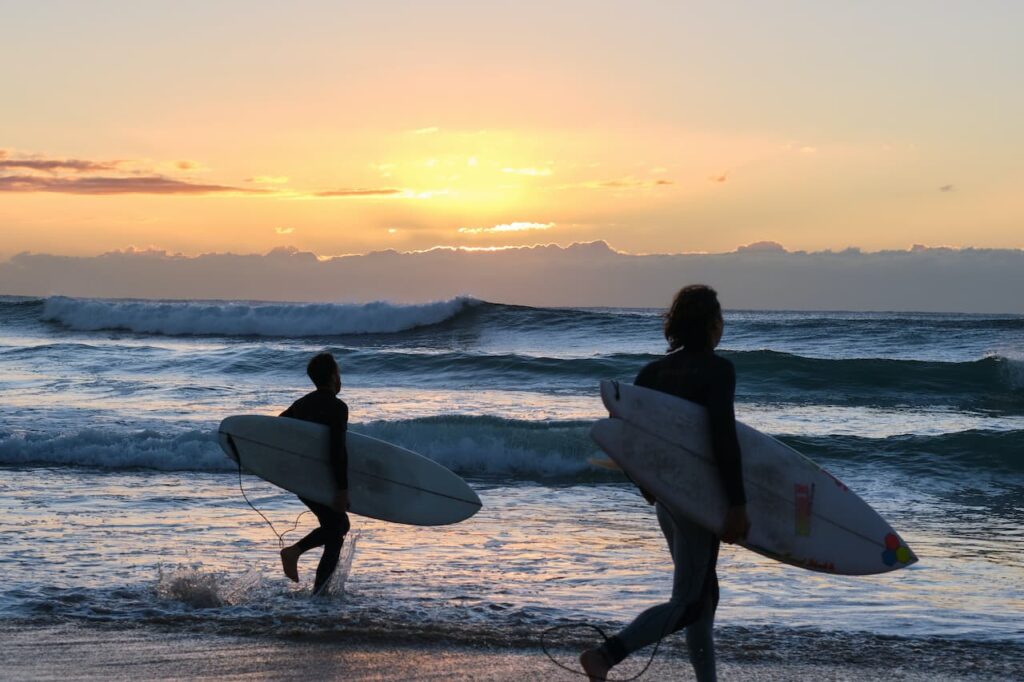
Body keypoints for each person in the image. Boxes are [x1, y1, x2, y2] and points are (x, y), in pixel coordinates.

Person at [580, 284, 750, 682]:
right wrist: (737, 504)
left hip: (668, 500)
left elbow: (628, 442)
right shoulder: (718, 370)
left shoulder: (652, 373)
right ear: (712, 324)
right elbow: (722, 438)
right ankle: (606, 655)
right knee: (690, 601)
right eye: (719, 319)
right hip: (701, 500)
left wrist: (645, 484)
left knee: (702, 596)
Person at [277, 352, 351, 595]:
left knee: (337, 528)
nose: (340, 378)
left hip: (299, 478)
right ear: (332, 376)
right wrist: (342, 489)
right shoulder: (338, 407)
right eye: (338, 373)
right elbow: (337, 449)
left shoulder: (302, 404)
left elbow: (276, 430)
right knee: (338, 526)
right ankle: (295, 553)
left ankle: (320, 593)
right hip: (319, 479)